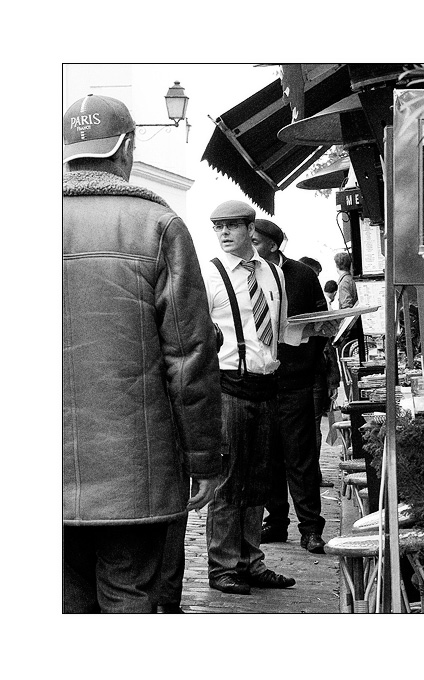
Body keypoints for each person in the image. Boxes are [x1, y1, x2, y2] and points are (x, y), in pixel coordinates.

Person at [63, 94, 222, 614]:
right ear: (127, 147)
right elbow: (189, 356)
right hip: (136, 471)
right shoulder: (158, 226)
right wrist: (203, 458)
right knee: (129, 594)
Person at [203, 201, 338, 594]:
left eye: (231, 226)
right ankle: (223, 566)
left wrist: (322, 327)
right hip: (228, 386)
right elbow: (194, 335)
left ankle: (249, 560)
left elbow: (280, 332)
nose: (224, 234)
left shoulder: (273, 274)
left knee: (259, 480)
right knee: (229, 481)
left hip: (268, 385)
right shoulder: (209, 275)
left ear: (250, 229)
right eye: (218, 227)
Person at [251, 219, 329, 552]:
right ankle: (277, 521)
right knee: (268, 458)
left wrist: (304, 348)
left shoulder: (301, 275)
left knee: (301, 458)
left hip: (297, 378)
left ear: (272, 244)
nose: (250, 245)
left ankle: (311, 528)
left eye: (255, 240)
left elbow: (322, 322)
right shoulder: (247, 275)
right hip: (260, 380)